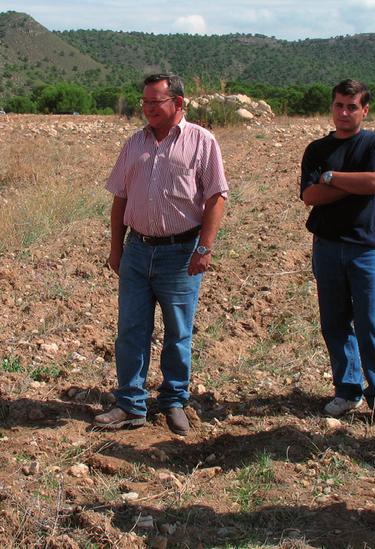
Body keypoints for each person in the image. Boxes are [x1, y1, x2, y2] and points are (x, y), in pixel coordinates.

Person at [94, 73, 228, 436]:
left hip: (181, 253)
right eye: (145, 102)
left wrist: (204, 247)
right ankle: (130, 404)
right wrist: (117, 248)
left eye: (157, 102)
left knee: (177, 332)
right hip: (138, 250)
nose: (149, 109)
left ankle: (173, 401)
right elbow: (119, 198)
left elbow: (216, 196)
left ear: (178, 103)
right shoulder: (134, 144)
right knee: (131, 330)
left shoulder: (201, 141)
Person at [299, 79, 375, 426]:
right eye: (338, 105)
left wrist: (331, 178)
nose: (344, 113)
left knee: (370, 322)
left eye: (352, 106)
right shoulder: (317, 149)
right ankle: (347, 391)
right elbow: (310, 197)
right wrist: (350, 183)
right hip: (327, 246)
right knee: (334, 323)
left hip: (364, 248)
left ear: (365, 110)